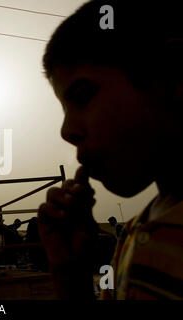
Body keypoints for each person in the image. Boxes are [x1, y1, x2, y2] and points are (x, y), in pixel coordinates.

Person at [37, 0, 183, 299]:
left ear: (173, 73)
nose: (66, 132)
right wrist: (70, 272)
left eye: (83, 95)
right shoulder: (132, 234)